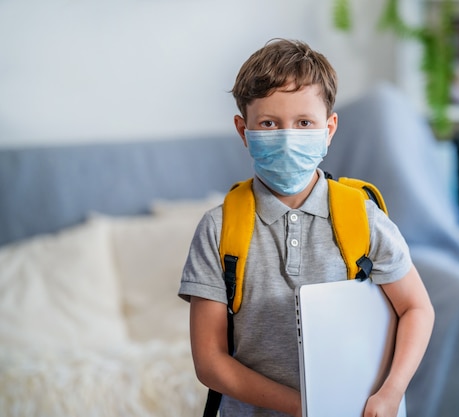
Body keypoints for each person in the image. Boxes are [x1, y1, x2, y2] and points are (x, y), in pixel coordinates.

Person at [178, 38, 435, 417]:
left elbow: (417, 308)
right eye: (269, 123)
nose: (287, 137)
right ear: (243, 129)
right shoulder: (218, 229)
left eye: (304, 123)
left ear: (329, 128)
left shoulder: (362, 218)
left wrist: (391, 392)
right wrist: (307, 408)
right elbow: (210, 361)